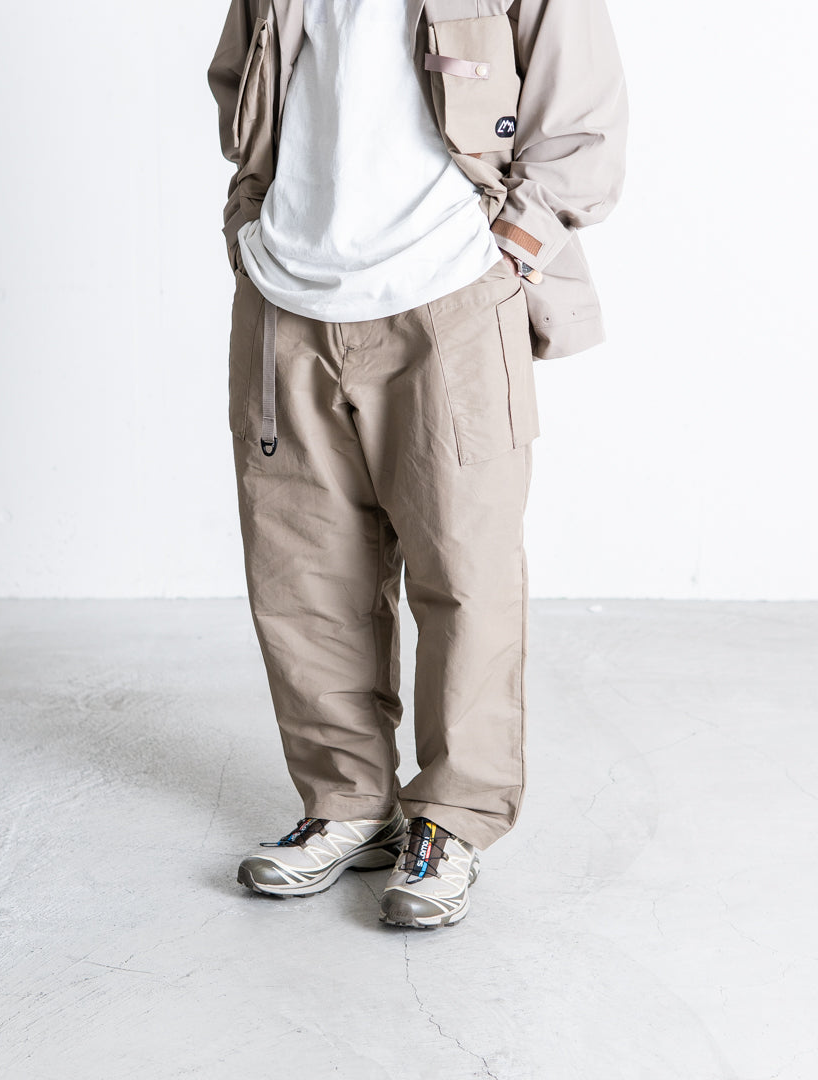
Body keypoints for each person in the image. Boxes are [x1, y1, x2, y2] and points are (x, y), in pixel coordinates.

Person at [207, 0, 627, 929]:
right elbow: (241, 82)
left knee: (465, 575)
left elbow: (582, 123)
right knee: (301, 577)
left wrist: (508, 253)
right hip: (287, 300)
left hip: (452, 297)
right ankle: (346, 803)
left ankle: (451, 821)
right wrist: (247, 221)